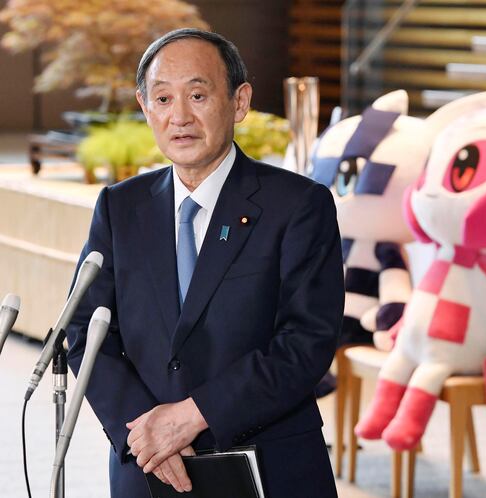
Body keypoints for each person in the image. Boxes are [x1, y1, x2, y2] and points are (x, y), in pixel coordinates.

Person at [66, 28, 344, 498]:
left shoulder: (298, 205)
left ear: (239, 102)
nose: (180, 116)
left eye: (197, 95)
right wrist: (146, 433)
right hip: (148, 467)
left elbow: (306, 343)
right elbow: (85, 332)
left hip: (269, 466)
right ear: (144, 107)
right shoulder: (120, 206)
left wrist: (191, 416)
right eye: (162, 99)